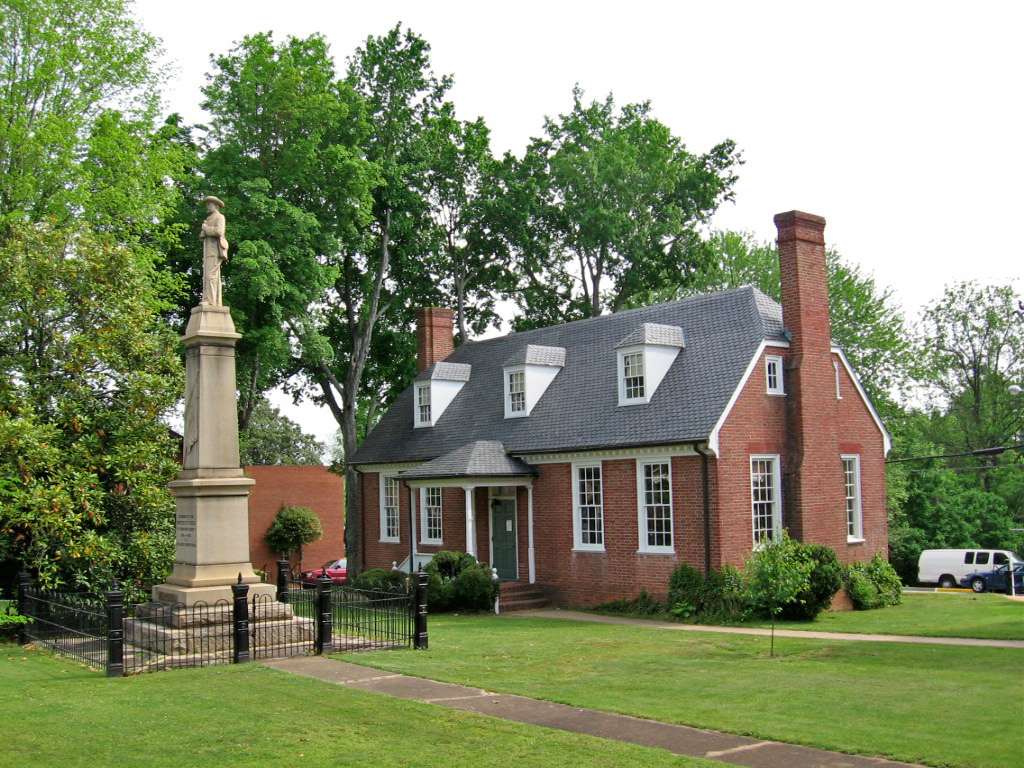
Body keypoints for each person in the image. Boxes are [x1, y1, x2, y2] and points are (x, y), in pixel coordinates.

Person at [200, 196, 229, 305]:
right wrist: (203, 233)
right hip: (208, 251)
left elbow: (219, 231)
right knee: (208, 276)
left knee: (211, 276)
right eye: (207, 204)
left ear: (216, 205)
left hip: (214, 251)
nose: (207, 206)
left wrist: (206, 229)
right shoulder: (208, 219)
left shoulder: (220, 217)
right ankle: (210, 300)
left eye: (210, 204)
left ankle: (210, 301)